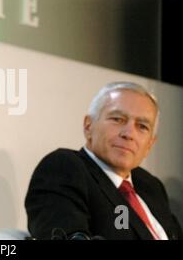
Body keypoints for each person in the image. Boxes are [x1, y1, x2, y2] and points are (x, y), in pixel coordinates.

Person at [25, 82, 182, 240]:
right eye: (118, 119)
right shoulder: (64, 168)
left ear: (150, 144)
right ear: (88, 126)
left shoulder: (150, 185)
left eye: (141, 126)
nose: (129, 134)